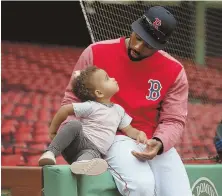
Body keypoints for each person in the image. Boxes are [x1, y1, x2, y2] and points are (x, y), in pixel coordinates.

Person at [58, 5, 192, 196]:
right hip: (112, 135)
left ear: (161, 45)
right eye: (138, 37)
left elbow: (174, 120)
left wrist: (160, 141)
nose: (138, 46)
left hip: (151, 139)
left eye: (148, 45)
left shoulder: (175, 70)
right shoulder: (95, 52)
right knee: (141, 186)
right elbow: (72, 100)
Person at [38, 66, 148, 176]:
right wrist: (53, 131)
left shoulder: (119, 110)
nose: (113, 78)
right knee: (74, 124)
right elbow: (65, 109)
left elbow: (128, 130)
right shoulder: (91, 106)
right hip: (80, 140)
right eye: (107, 78)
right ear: (99, 93)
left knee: (92, 157)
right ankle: (50, 152)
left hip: (94, 150)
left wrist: (138, 134)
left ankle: (80, 165)